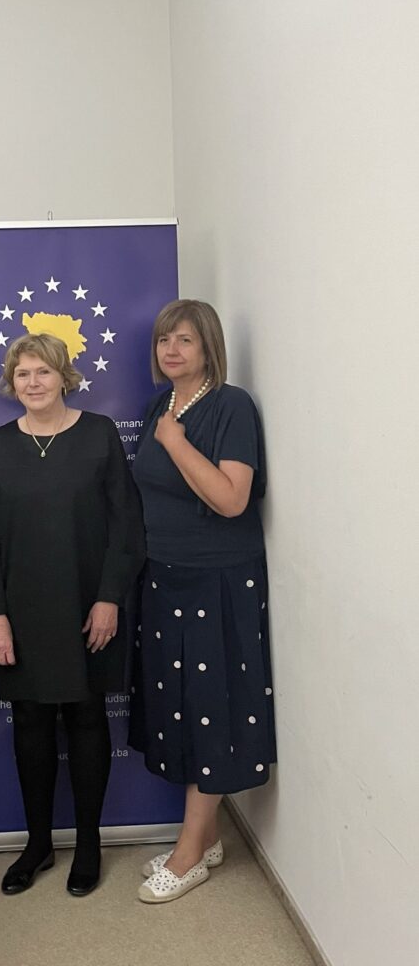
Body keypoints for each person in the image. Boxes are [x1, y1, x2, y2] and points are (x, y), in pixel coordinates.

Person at [0, 332, 145, 897]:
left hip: (90, 609)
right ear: (10, 382)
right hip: (20, 617)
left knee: (89, 720)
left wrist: (110, 597)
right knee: (33, 729)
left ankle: (88, 844)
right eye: (23, 374)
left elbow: (126, 527)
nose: (33, 383)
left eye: (43, 372)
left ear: (64, 376)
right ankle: (38, 843)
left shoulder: (99, 436)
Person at [129, 299, 276, 903]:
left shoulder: (231, 405)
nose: (171, 351)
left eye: (184, 340)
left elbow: (232, 499)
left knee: (211, 705)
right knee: (181, 706)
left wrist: (175, 442)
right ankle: (207, 835)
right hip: (165, 576)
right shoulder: (158, 405)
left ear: (207, 346)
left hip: (218, 581)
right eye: (165, 340)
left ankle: (189, 855)